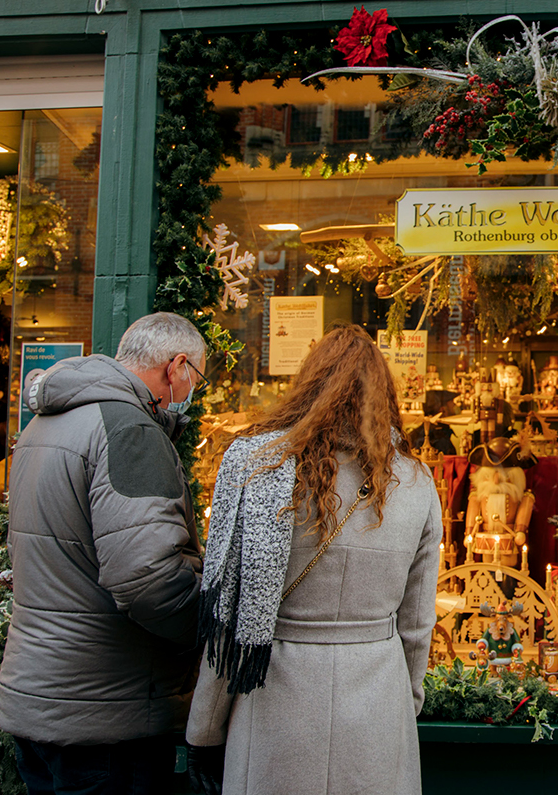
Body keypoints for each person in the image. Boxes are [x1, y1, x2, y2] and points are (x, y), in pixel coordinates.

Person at [186, 323, 441, 795]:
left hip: (276, 697)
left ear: (308, 384)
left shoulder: (259, 468)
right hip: (376, 698)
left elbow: (232, 618)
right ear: (383, 394)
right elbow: (416, 623)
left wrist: (204, 728)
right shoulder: (417, 483)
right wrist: (405, 701)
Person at [0, 312, 207, 794]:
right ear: (176, 367)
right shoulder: (127, 430)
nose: (193, 387)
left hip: (41, 695)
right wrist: (205, 629)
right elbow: (148, 580)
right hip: (105, 713)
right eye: (197, 374)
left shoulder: (48, 423)